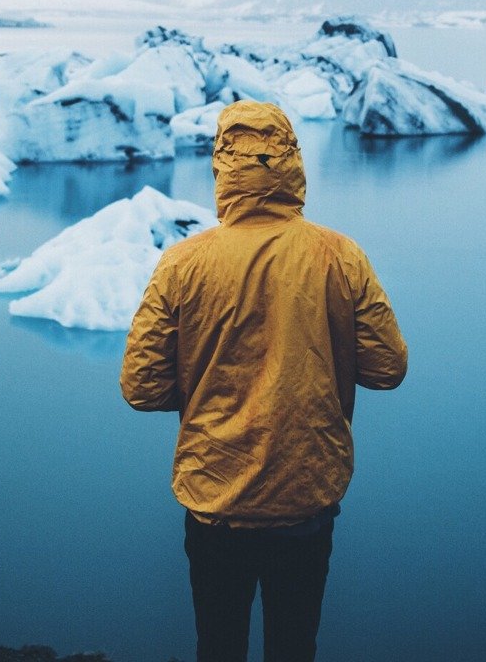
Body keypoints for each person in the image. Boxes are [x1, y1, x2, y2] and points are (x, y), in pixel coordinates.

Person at [121, 100, 408, 662]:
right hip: (304, 497)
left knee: (219, 645)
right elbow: (388, 369)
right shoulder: (339, 256)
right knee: (294, 646)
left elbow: (141, 387)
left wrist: (205, 381)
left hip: (215, 499)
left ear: (222, 168)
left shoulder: (183, 263)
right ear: (293, 164)